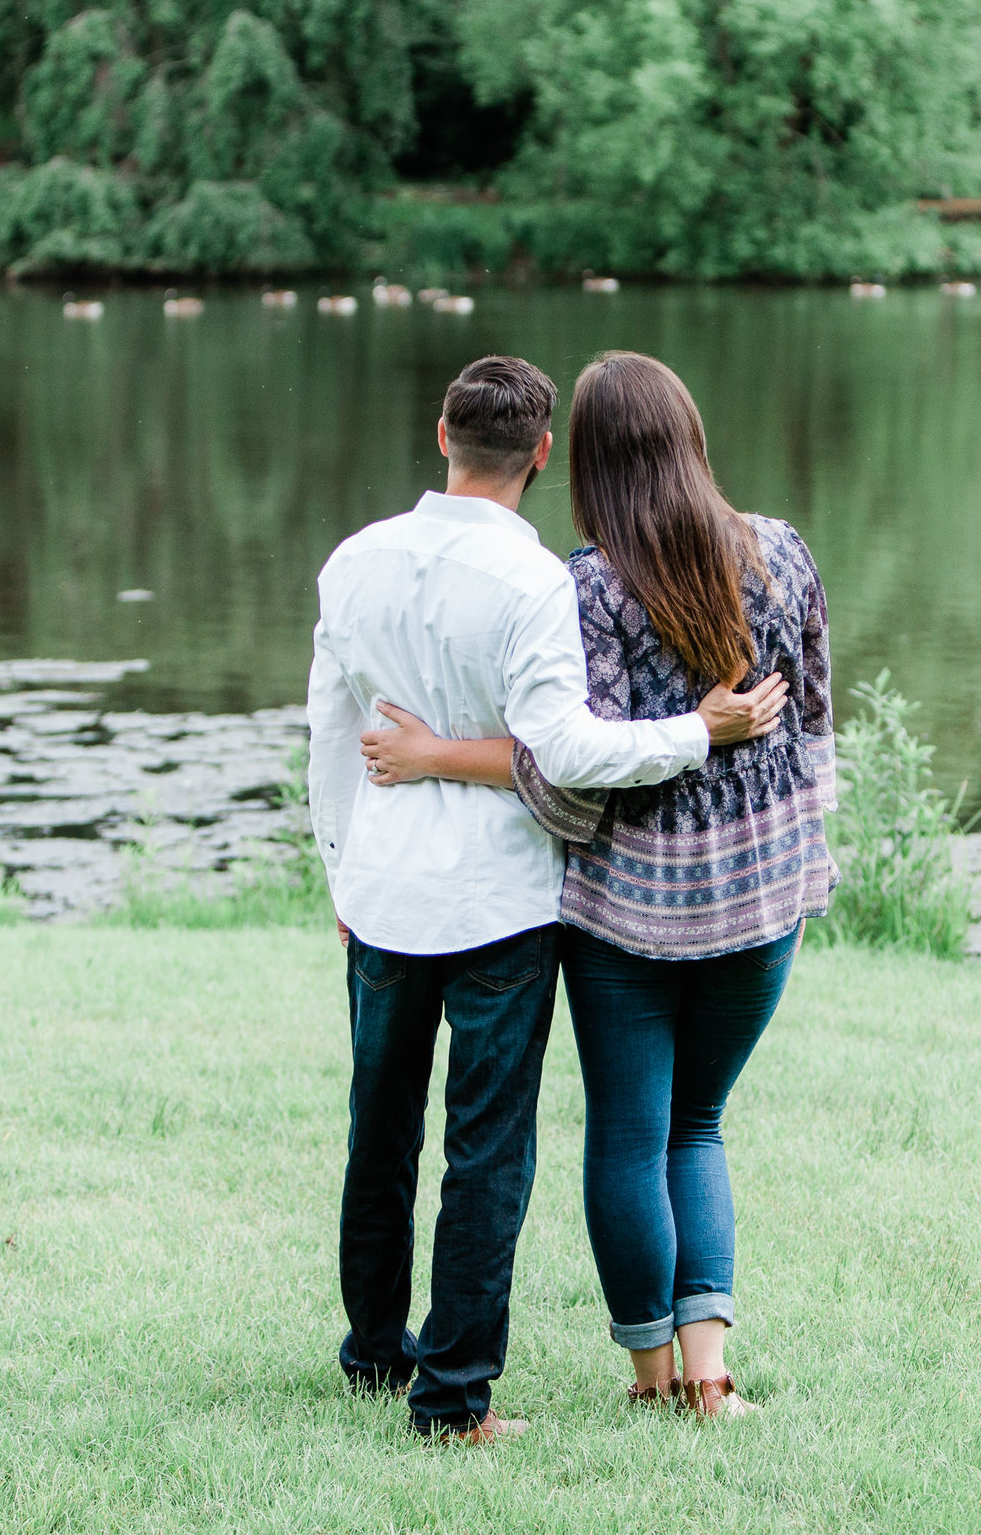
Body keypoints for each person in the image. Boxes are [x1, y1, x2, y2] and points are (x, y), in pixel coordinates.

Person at [307, 354, 789, 1446]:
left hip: (380, 894)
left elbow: (329, 731)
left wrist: (339, 865)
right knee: (485, 1151)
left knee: (377, 1133)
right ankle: (453, 1397)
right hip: (501, 904)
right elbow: (565, 750)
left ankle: (374, 1355)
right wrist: (695, 732)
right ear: (537, 453)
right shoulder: (534, 583)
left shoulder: (355, 560)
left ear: (440, 434)